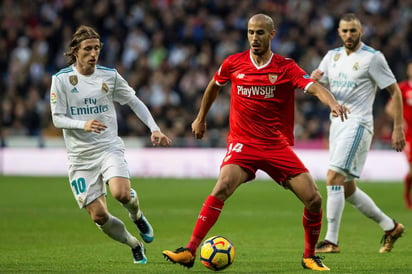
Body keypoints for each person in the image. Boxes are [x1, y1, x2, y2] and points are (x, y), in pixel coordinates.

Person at [162, 13, 349, 272]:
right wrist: (200, 117)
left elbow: (313, 87)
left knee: (314, 199)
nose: (254, 38)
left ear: (272, 35)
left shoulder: (285, 66)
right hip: (243, 143)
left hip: (275, 146)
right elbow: (214, 86)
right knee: (222, 186)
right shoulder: (233, 63)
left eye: (260, 32)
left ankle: (309, 256)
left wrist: (333, 104)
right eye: (250, 32)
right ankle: (190, 250)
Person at [50, 25, 172, 264]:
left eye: (97, 48)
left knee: (121, 193)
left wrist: (154, 128)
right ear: (75, 50)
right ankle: (133, 244)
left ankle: (137, 215)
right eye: (88, 48)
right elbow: (57, 118)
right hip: (80, 157)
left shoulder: (109, 76)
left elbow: (134, 102)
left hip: (108, 147)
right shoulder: (61, 80)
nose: (93, 53)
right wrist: (82, 124)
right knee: (98, 215)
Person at [310, 13, 405, 254]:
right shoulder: (331, 57)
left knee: (333, 178)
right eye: (344, 31)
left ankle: (331, 241)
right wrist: (313, 80)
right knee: (348, 189)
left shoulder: (373, 58)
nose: (348, 35)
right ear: (339, 32)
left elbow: (395, 91)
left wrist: (397, 127)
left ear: (360, 31)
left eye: (353, 30)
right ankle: (390, 226)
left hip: (358, 124)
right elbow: (316, 84)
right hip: (337, 125)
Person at [385, 60, 412, 210]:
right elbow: (389, 108)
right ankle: (407, 196)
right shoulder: (402, 88)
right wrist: (400, 120)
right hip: (408, 135)